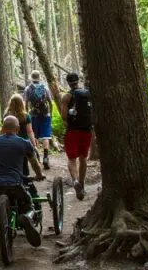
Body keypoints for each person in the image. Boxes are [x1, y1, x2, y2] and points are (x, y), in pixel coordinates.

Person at [0, 115, 45, 249]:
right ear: (18, 129)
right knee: (28, 204)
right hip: (15, 185)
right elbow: (34, 163)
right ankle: (26, 217)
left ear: (2, 128)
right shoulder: (24, 143)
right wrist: (39, 175)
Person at [59, 72, 94, 200]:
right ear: (78, 81)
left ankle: (75, 182)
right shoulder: (88, 94)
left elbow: (64, 116)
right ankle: (82, 184)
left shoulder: (66, 97)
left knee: (71, 158)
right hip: (86, 130)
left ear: (68, 82)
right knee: (83, 158)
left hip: (72, 130)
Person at [22, 70, 55, 169]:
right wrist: (51, 114)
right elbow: (50, 102)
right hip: (45, 114)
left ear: (31, 78)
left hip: (33, 115)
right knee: (46, 136)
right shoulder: (45, 87)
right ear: (39, 77)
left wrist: (27, 114)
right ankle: (45, 157)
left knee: (34, 135)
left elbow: (26, 103)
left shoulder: (28, 88)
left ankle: (36, 156)